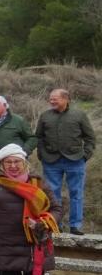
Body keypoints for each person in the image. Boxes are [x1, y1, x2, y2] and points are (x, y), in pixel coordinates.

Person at [0, 144, 61, 275]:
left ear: (24, 162)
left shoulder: (38, 183)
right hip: (5, 248)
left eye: (17, 161)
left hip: (34, 246)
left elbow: (56, 208)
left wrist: (44, 223)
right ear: (1, 164)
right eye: (8, 162)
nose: (13, 165)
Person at [36, 88, 96, 235]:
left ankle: (76, 225)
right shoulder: (45, 116)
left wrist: (85, 155)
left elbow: (90, 137)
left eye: (55, 98)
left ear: (65, 99)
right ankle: (56, 224)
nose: (51, 101)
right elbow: (38, 137)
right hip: (51, 161)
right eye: (50, 98)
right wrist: (42, 154)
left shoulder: (79, 115)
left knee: (76, 193)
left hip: (75, 160)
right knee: (52, 194)